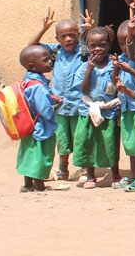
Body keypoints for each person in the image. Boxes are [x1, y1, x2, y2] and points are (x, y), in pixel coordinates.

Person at [30, 10, 92, 181]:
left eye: (72, 35)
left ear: (78, 35)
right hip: (61, 106)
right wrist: (43, 29)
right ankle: (63, 169)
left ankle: (85, 169)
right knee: (62, 139)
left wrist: (90, 30)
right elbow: (31, 48)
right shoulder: (54, 52)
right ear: (57, 38)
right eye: (63, 36)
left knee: (81, 138)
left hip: (79, 105)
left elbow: (97, 43)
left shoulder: (84, 51)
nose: (68, 39)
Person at [74, 26, 122, 189]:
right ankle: (90, 175)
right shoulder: (83, 67)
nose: (97, 49)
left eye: (102, 44)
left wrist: (115, 70)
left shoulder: (114, 64)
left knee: (110, 143)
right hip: (89, 110)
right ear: (87, 46)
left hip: (109, 110)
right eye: (93, 45)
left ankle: (115, 173)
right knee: (89, 142)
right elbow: (84, 89)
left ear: (109, 45)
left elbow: (117, 86)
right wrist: (89, 70)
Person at [16, 45, 60, 192]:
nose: (50, 62)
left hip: (28, 125)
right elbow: (45, 111)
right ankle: (40, 185)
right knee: (41, 156)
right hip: (41, 127)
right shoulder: (39, 87)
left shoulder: (28, 81)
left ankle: (27, 185)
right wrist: (56, 106)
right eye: (45, 60)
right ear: (32, 66)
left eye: (49, 58)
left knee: (29, 154)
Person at [111, 21, 135, 191]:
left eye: (128, 42)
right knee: (131, 144)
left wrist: (130, 70)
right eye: (121, 43)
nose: (124, 47)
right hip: (127, 108)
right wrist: (116, 69)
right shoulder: (122, 59)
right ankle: (133, 174)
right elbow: (113, 82)